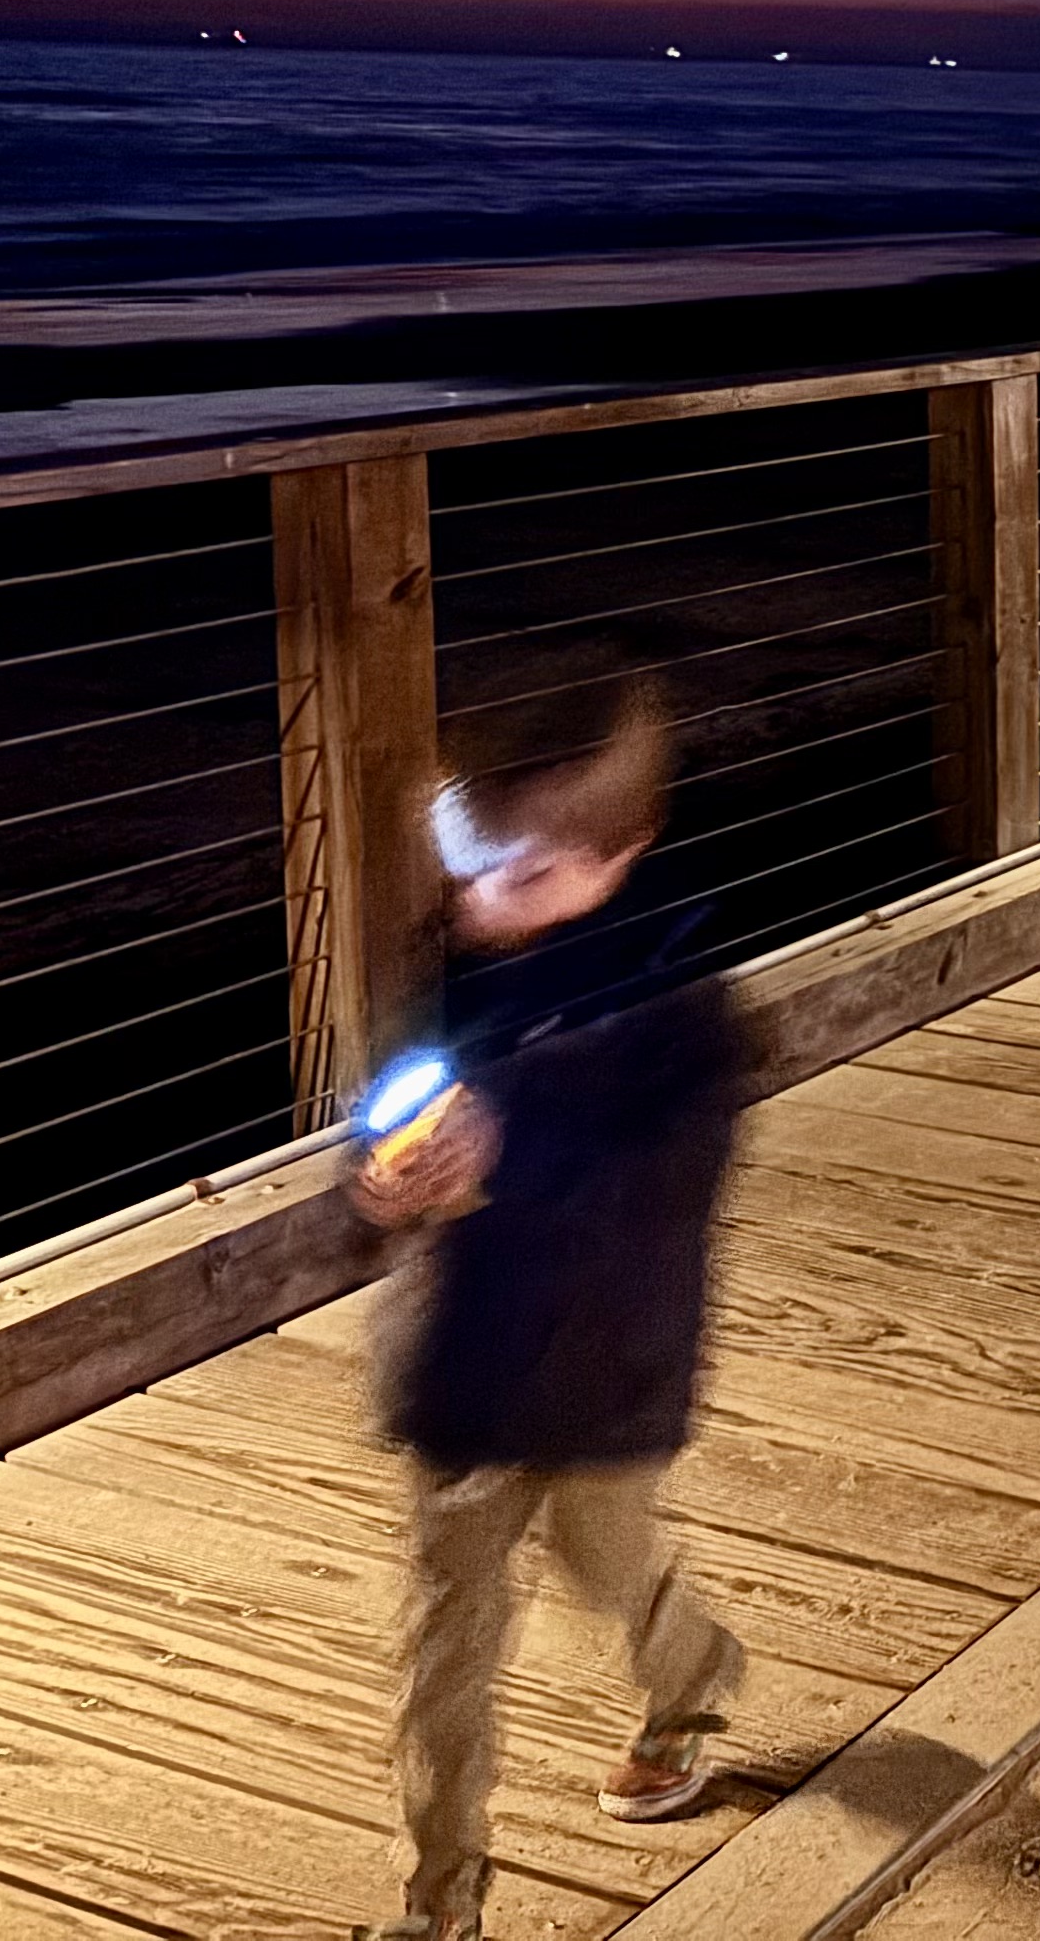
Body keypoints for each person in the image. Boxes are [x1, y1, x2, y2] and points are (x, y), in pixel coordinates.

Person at [349, 667, 748, 1941]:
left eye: (516, 873)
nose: (476, 903)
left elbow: (661, 1189)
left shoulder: (687, 1006)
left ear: (619, 852)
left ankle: (691, 1681)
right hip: (464, 1368)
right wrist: (379, 1180)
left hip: (602, 1361)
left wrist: (507, 1155)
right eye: (461, 866)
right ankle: (441, 1902)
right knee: (445, 1643)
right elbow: (402, 1106)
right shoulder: (460, 964)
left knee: (605, 1558)